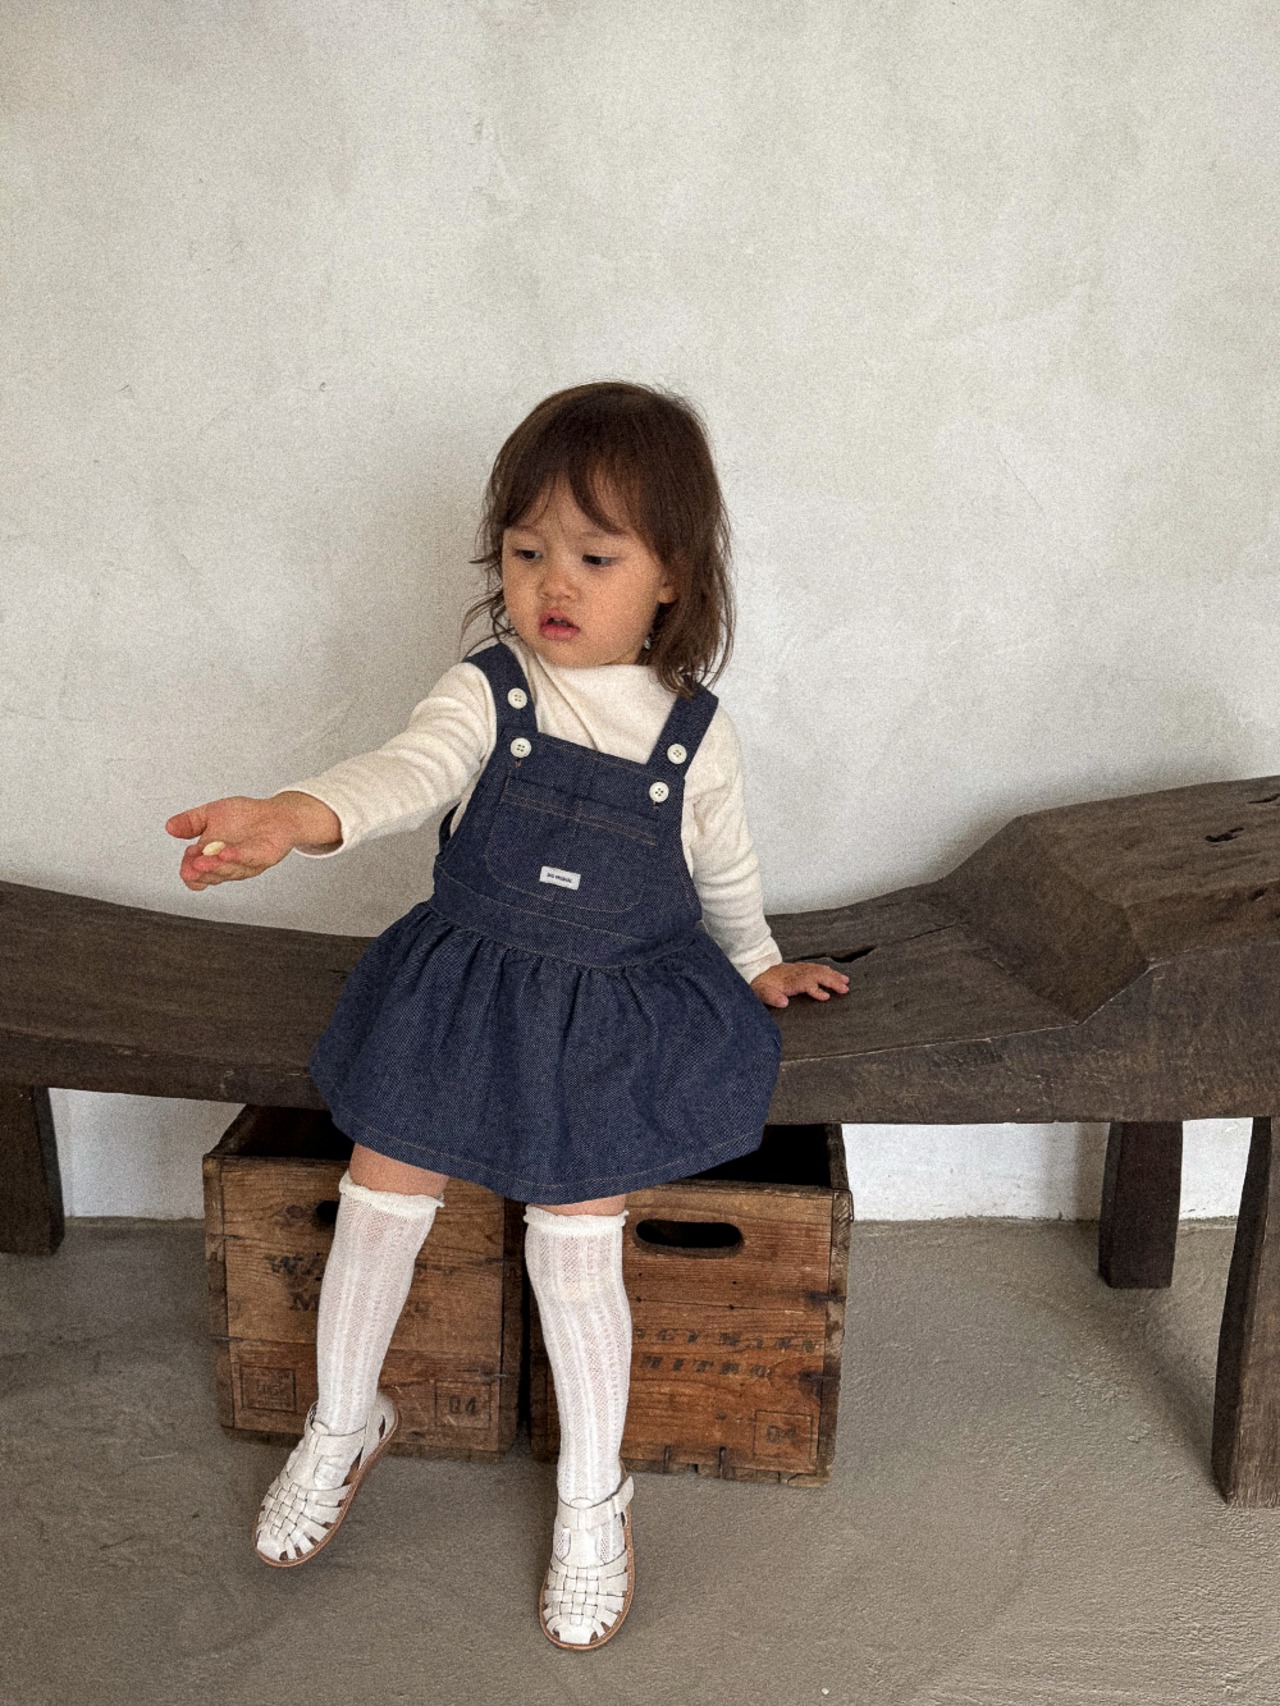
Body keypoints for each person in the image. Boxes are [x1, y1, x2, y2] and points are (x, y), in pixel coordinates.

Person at [165, 380, 849, 1651]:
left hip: (607, 1016)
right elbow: (404, 769)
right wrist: (294, 816)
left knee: (573, 1236)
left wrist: (757, 961)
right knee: (380, 1194)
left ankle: (594, 1491)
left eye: (595, 555)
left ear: (671, 575)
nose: (553, 582)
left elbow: (725, 869)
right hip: (465, 993)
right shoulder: (489, 688)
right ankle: (343, 1417)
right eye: (527, 551)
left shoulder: (693, 735)